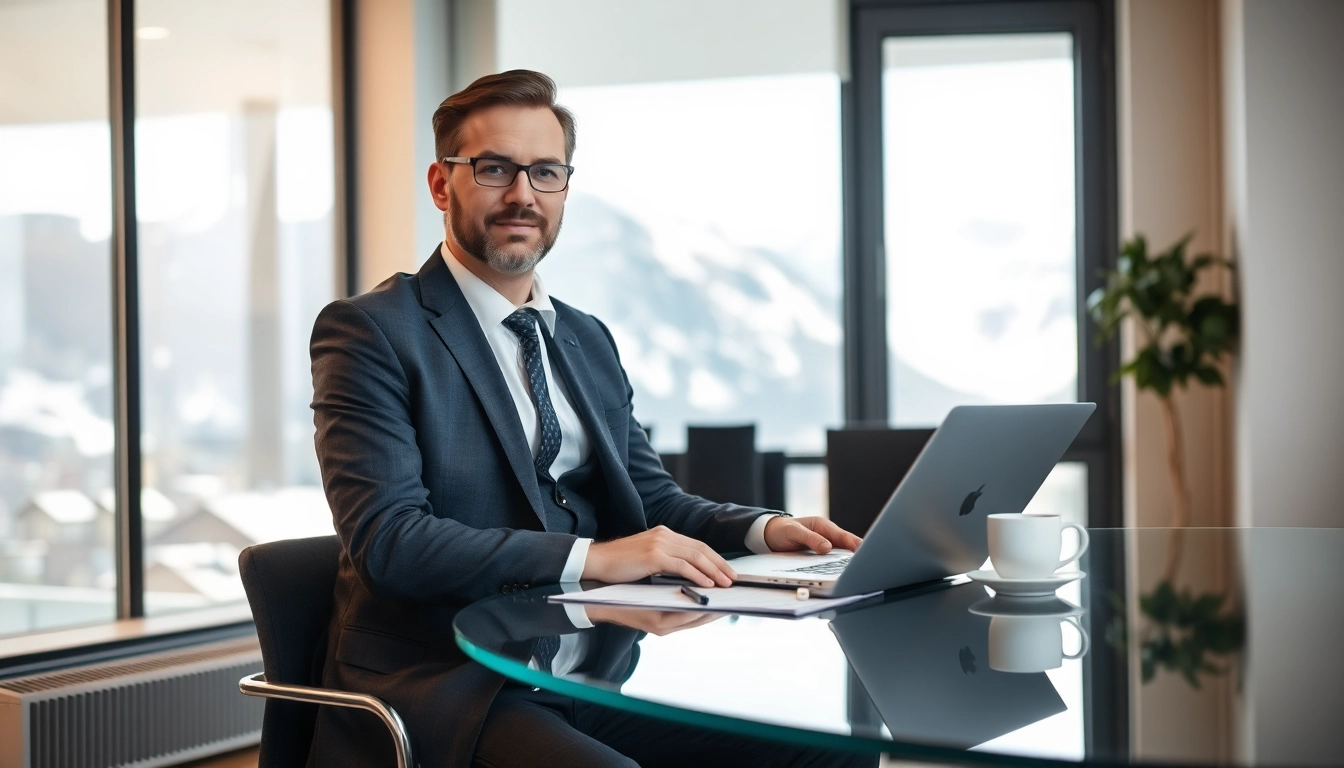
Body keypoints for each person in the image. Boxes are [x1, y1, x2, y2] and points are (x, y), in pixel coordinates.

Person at [307, 69, 873, 767]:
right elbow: (391, 541)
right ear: (440, 184)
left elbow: (654, 500)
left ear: (565, 189)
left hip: (591, 673)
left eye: (545, 172)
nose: (522, 194)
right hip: (447, 686)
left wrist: (765, 529)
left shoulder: (586, 339)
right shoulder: (372, 332)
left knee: (829, 753)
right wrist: (598, 560)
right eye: (494, 169)